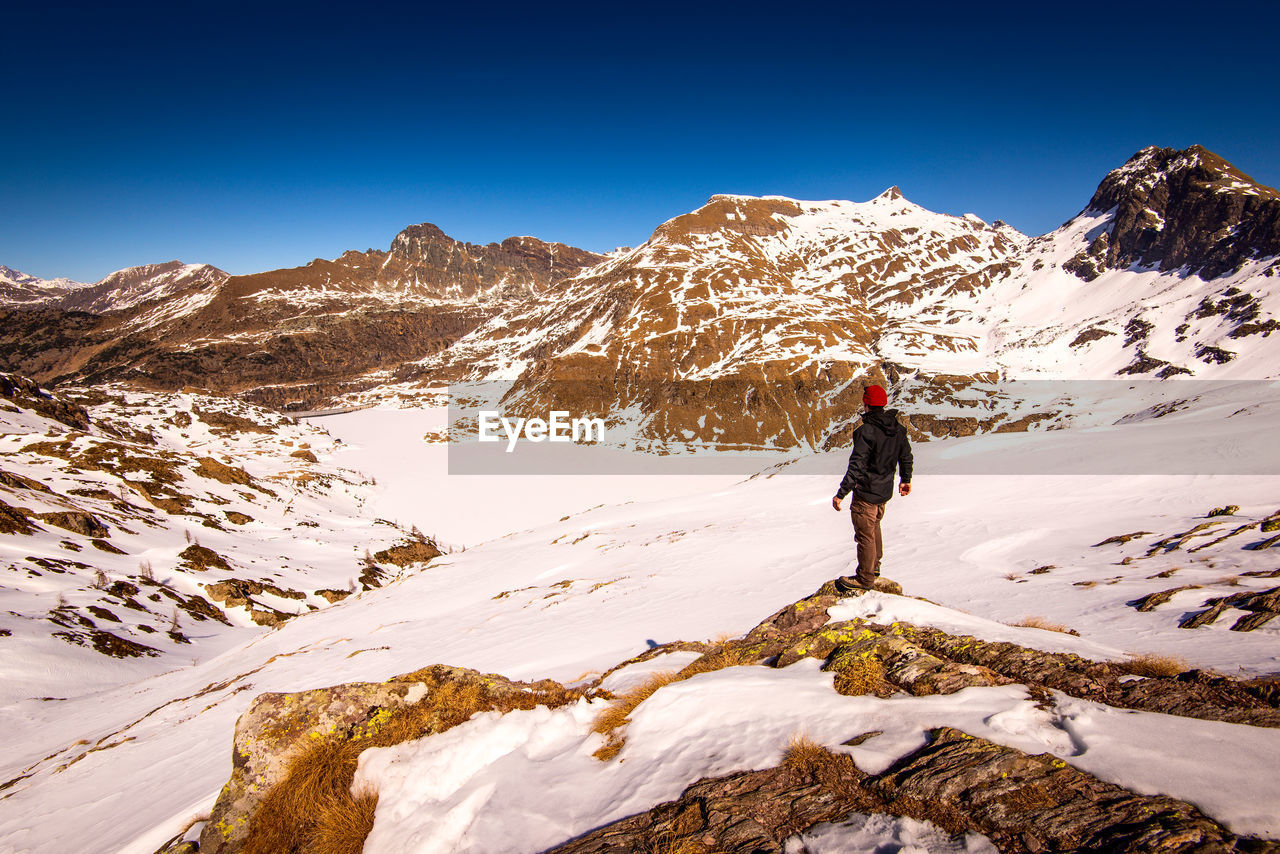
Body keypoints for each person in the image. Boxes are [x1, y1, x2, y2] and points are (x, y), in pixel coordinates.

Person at [831, 384, 912, 593]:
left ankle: (865, 579)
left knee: (865, 534)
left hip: (866, 491)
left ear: (865, 403)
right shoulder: (896, 428)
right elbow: (906, 455)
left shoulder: (866, 431)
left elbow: (857, 464)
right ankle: (874, 567)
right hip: (884, 490)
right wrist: (906, 478)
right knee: (874, 526)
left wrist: (842, 493)